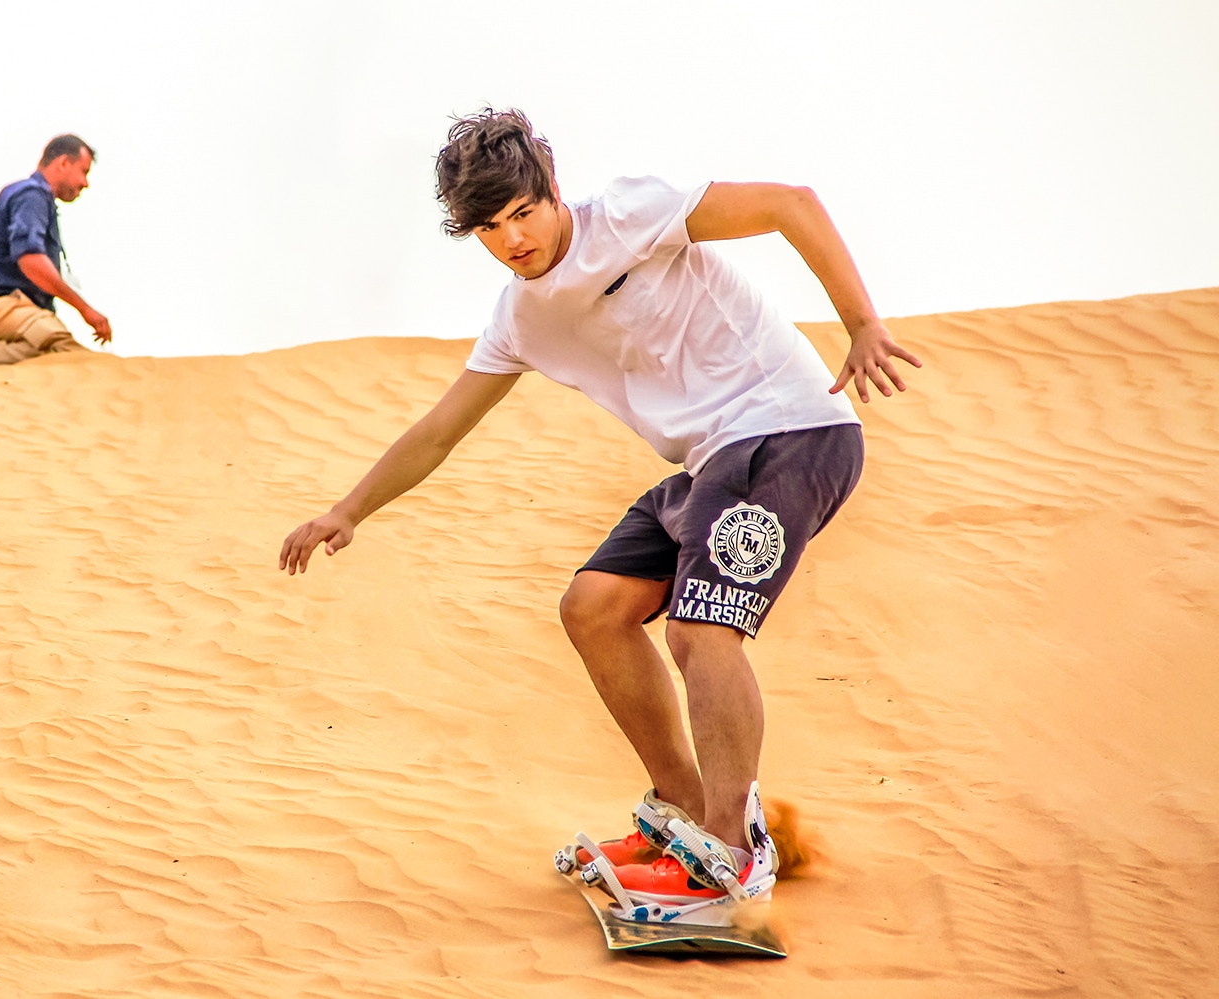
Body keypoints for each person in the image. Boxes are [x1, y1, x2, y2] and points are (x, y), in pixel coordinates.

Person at [279, 108, 921, 919]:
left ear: (551, 191)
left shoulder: (628, 215)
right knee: (593, 606)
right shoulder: (520, 319)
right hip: (710, 463)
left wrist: (863, 323)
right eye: (488, 227)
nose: (512, 239)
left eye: (522, 212)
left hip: (789, 427)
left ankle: (730, 854)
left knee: (701, 629)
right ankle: (686, 813)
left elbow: (790, 202)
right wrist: (348, 510)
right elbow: (440, 429)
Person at [0, 134, 113, 366]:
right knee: (64, 352)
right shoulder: (32, 195)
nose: (85, 183)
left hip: (12, 311)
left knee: (44, 356)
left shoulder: (39, 201)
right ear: (63, 163)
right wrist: (86, 310)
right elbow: (30, 260)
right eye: (84, 171)